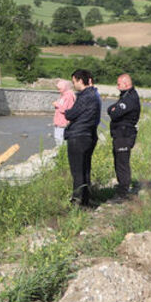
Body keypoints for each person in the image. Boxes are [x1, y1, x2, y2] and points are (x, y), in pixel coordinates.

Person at [63, 69, 101, 207]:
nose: (74, 85)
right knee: (85, 169)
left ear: (81, 80)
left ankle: (77, 202)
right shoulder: (95, 94)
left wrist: (66, 111)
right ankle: (85, 200)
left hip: (78, 136)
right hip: (88, 135)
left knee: (77, 171)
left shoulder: (86, 96)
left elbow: (71, 114)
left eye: (74, 82)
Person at [106, 73, 141, 201]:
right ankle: (122, 189)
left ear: (126, 84)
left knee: (122, 164)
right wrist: (113, 110)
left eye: (119, 84)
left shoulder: (130, 98)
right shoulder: (125, 96)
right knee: (118, 162)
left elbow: (115, 114)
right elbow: (110, 109)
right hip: (120, 134)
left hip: (124, 134)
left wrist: (113, 110)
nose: (117, 86)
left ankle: (123, 194)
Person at [52, 79, 75, 146]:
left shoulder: (69, 96)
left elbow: (67, 110)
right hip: (59, 122)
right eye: (58, 89)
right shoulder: (64, 95)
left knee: (60, 140)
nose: (59, 91)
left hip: (63, 122)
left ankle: (62, 154)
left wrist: (57, 105)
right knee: (58, 138)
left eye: (60, 89)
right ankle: (61, 152)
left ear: (65, 88)